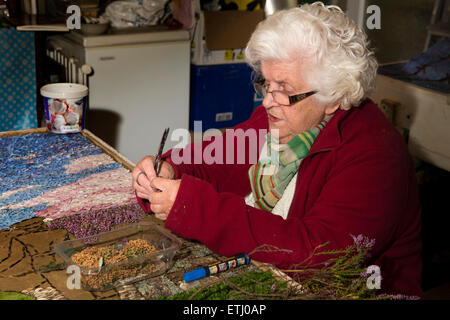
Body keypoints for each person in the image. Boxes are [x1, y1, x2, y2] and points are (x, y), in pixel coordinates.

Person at [132, 3, 422, 297]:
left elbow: (315, 256)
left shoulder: (376, 158)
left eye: (284, 89)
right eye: (266, 84)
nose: (268, 101)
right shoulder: (281, 119)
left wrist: (195, 207)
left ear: (333, 95)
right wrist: (169, 169)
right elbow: (215, 157)